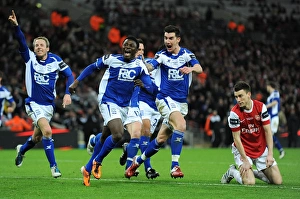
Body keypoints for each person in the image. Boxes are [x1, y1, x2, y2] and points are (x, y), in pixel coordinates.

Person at [69, 36, 153, 186]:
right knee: (118, 133)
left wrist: (145, 85)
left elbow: (151, 86)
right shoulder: (111, 59)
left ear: (136, 50)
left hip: (124, 106)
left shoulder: (140, 66)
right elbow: (92, 67)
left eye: (131, 46)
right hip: (108, 100)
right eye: (125, 45)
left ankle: (87, 168)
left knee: (105, 137)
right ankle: (97, 161)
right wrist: (77, 81)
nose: (127, 47)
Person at [125, 25, 203, 179]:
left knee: (160, 139)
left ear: (178, 39)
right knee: (181, 125)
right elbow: (150, 66)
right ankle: (175, 166)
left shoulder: (186, 54)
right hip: (165, 99)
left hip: (181, 103)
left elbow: (199, 67)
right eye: (165, 38)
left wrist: (191, 69)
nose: (167, 41)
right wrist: (142, 64)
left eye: (171, 38)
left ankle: (136, 163)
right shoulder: (161, 55)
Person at [8, 10, 74, 178]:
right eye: (36, 45)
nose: (38, 47)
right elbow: (21, 41)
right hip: (34, 103)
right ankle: (54, 167)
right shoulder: (29, 58)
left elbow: (70, 75)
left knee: (37, 138)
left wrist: (68, 93)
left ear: (47, 48)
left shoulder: (56, 60)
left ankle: (21, 150)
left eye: (41, 45)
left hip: (49, 106)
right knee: (48, 131)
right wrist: (16, 27)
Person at [220, 81, 282, 185]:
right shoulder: (234, 113)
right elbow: (236, 138)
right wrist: (245, 159)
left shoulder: (261, 107)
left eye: (240, 96)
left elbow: (268, 131)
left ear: (249, 94)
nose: (238, 100)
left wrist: (270, 154)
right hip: (243, 150)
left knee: (277, 181)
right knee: (249, 182)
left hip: (260, 148)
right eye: (236, 97)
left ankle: (253, 173)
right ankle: (232, 172)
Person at [119, 38, 161, 179]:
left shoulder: (152, 65)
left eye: (142, 50)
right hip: (138, 104)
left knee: (143, 138)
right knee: (143, 132)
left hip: (155, 107)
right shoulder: (128, 66)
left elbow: (155, 89)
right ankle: (148, 168)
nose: (140, 52)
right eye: (138, 50)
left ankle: (128, 153)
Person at [266, 82, 285, 159]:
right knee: (268, 134)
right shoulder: (270, 96)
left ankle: (279, 150)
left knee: (269, 134)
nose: (266, 88)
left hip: (273, 117)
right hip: (270, 117)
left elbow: (275, 102)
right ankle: (278, 150)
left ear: (270, 86)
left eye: (267, 86)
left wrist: (265, 106)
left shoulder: (275, 93)